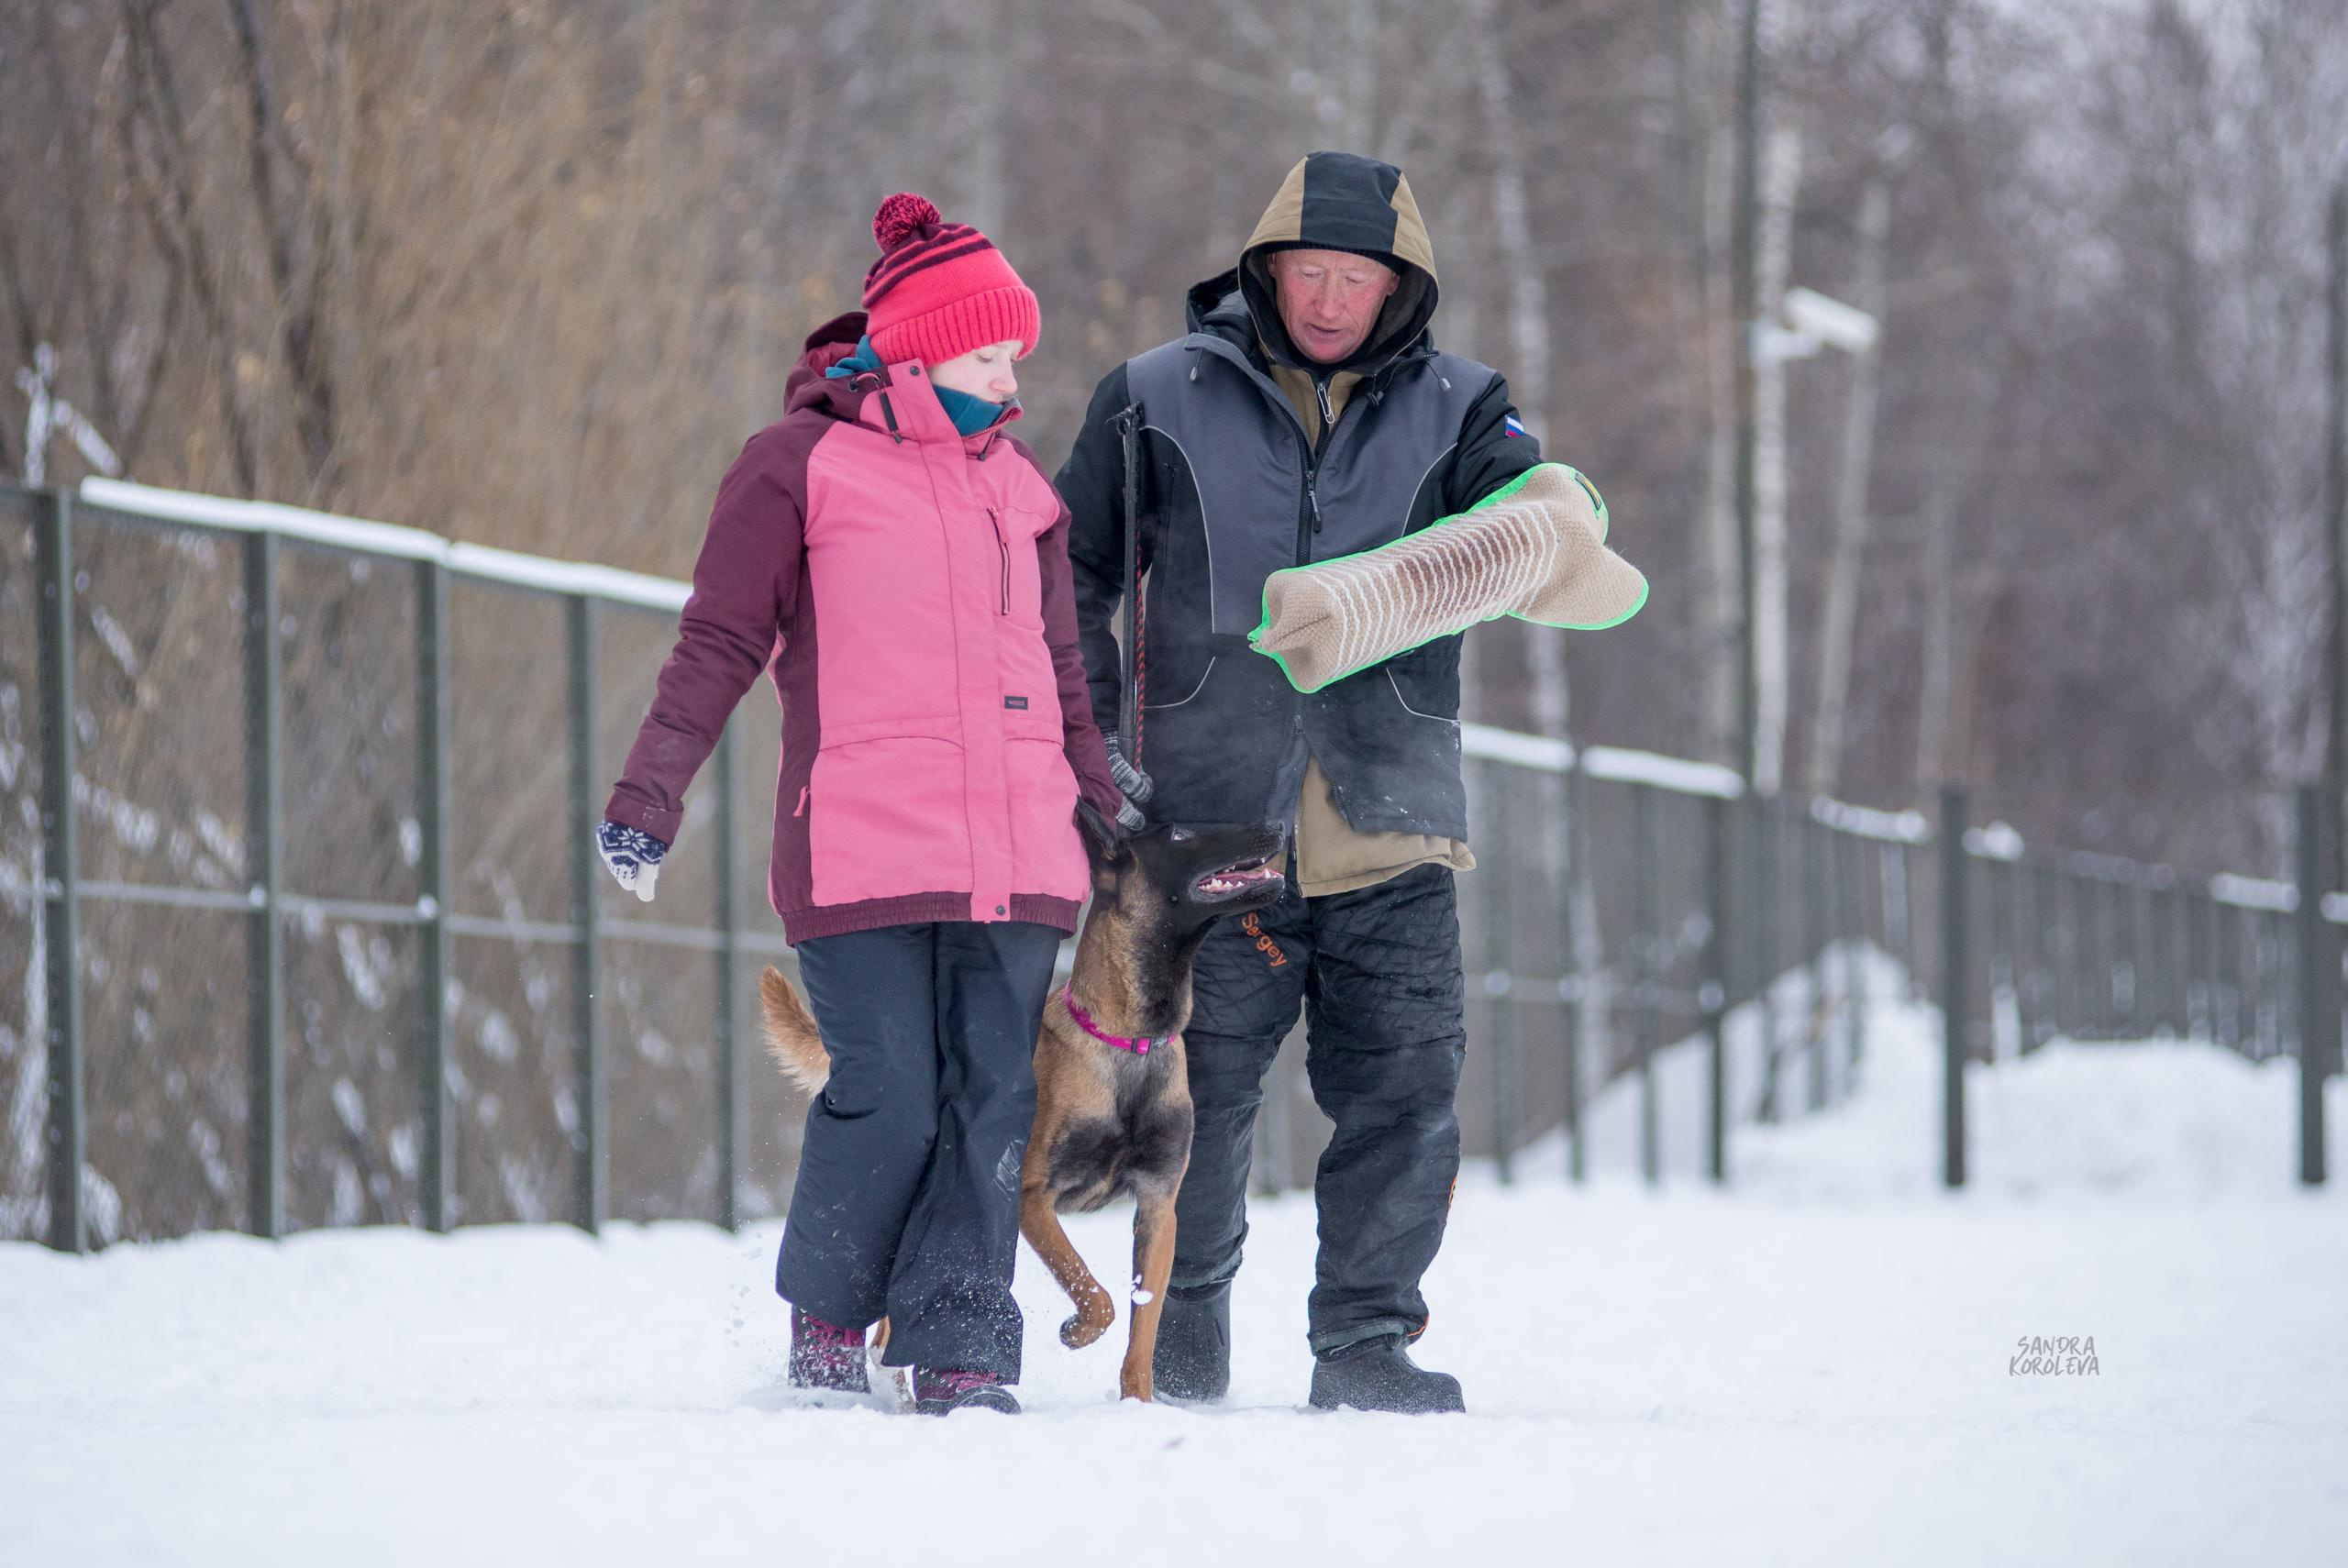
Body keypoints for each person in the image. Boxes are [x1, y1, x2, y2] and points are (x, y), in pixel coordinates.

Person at [597, 193, 1126, 1416]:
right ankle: (832, 1315)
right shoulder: (797, 466)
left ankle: (961, 1343)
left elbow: (1060, 673)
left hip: (1015, 849)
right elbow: (719, 639)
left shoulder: (1023, 492)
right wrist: (649, 791)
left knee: (992, 1093)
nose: (1011, 379)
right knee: (886, 1079)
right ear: (922, 345)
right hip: (860, 847)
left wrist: (1097, 803)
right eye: (993, 353)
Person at [1056, 150, 1550, 1414]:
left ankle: (1367, 1344)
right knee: (1196, 1106)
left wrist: (1559, 509)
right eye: (1309, 272)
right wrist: (1096, 754)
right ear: (1266, 270)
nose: (1330, 299)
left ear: (1402, 286)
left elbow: (1542, 527)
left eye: (1357, 277)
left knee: (1403, 1099)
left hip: (1391, 827)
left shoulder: (1461, 406)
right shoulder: (1154, 397)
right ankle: (1190, 1319)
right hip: (1204, 840)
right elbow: (1072, 586)